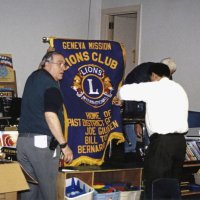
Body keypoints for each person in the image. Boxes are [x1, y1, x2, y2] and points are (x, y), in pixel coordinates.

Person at [118, 63, 188, 199]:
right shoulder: (180, 89)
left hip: (163, 144)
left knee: (154, 185)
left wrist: (119, 99)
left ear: (154, 76)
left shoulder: (155, 87)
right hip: (180, 143)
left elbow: (124, 91)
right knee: (173, 186)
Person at [17, 51, 73, 200]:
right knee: (48, 193)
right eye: (60, 63)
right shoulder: (50, 84)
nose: (64, 67)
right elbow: (50, 115)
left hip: (23, 143)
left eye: (65, 64)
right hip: (41, 146)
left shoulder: (32, 78)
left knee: (28, 192)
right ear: (46, 63)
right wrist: (64, 145)